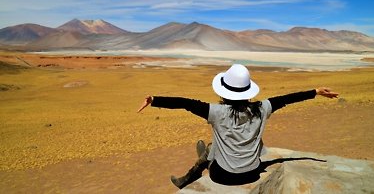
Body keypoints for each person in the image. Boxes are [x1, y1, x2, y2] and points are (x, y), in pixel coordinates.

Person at [137, 64, 338, 189]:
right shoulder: (262, 108)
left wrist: (155, 100)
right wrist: (316, 91)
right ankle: (205, 156)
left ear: (224, 91)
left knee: (211, 147)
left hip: (222, 176)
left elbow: (185, 103)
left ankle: (195, 170)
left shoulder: (216, 112)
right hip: (252, 172)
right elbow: (287, 99)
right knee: (217, 144)